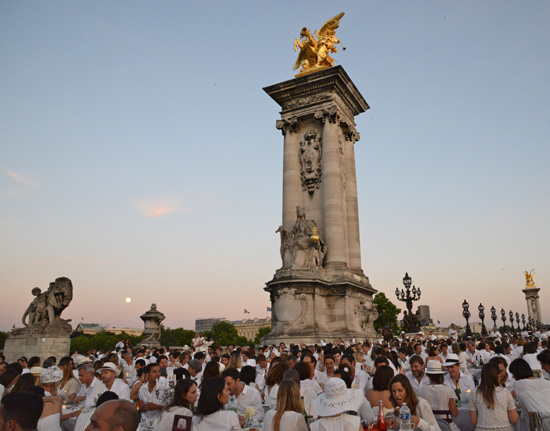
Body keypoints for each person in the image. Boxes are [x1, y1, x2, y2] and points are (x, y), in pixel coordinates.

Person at [469, 363, 518, 431]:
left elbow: (473, 421)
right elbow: (514, 420)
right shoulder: (505, 392)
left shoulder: (474, 393)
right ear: (497, 376)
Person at [509, 358, 550, 430]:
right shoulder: (546, 382)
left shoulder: (519, 385)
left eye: (513, 374)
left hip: (539, 422)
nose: (513, 377)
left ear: (517, 373)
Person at [418, 360, 459, 430]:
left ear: (428, 375)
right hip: (447, 426)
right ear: (441, 374)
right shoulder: (448, 390)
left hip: (428, 426)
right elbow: (454, 413)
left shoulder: (420, 390)